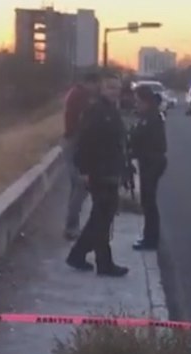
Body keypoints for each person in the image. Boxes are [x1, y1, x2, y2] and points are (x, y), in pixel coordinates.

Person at [66, 72, 131, 277]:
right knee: (102, 219)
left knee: (101, 218)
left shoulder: (112, 110)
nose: (114, 91)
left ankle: (80, 255)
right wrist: (85, 170)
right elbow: (84, 142)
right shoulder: (96, 111)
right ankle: (102, 263)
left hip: (110, 171)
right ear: (101, 89)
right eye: (110, 87)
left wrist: (123, 169)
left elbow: (118, 143)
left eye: (117, 88)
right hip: (99, 172)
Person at [128, 86, 168, 251]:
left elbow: (148, 142)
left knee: (149, 202)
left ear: (146, 101)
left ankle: (150, 240)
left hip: (152, 163)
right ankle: (149, 237)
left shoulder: (152, 118)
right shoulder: (147, 116)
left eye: (138, 101)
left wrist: (133, 148)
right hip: (149, 162)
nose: (136, 104)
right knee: (147, 202)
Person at [62, 72, 99, 240]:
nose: (97, 88)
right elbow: (83, 121)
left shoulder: (76, 93)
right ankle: (71, 227)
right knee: (81, 185)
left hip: (73, 141)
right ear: (89, 83)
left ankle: (72, 225)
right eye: (96, 84)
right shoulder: (80, 96)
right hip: (75, 142)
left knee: (76, 186)